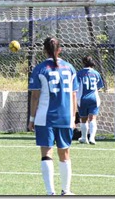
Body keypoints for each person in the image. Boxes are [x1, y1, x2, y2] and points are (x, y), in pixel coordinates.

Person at [28, 37, 78, 196]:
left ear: (44, 50)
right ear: (60, 49)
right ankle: (67, 190)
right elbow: (74, 95)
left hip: (45, 117)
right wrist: (73, 118)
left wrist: (31, 119)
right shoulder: (70, 68)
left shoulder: (40, 69)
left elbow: (35, 96)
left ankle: (50, 192)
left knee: (46, 153)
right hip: (65, 117)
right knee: (64, 153)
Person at [76, 56, 104, 145]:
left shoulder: (79, 73)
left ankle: (84, 137)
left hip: (82, 98)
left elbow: (75, 87)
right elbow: (99, 87)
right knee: (93, 119)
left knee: (83, 119)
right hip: (94, 98)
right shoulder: (96, 73)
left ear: (83, 63)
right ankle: (92, 138)